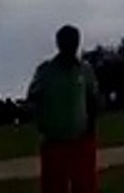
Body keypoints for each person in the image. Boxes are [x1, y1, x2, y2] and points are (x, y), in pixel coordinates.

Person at [28, 25, 100, 193]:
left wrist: (91, 128)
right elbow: (32, 98)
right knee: (54, 186)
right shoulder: (46, 71)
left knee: (85, 186)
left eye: (74, 42)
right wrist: (41, 124)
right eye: (67, 42)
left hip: (81, 141)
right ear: (59, 44)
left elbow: (93, 99)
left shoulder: (85, 70)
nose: (71, 46)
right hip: (54, 142)